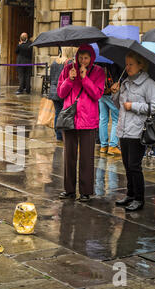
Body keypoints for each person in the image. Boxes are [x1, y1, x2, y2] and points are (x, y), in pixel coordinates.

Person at [111, 51, 155, 211]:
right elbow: (119, 106)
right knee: (126, 164)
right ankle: (130, 194)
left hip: (138, 130)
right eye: (126, 64)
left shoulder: (149, 84)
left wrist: (134, 106)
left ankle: (139, 198)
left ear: (140, 65)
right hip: (123, 129)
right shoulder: (125, 82)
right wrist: (116, 93)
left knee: (134, 165)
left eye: (131, 64)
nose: (127, 67)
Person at [57, 44, 105, 202]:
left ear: (91, 58)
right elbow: (61, 93)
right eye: (80, 57)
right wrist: (70, 80)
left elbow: (97, 94)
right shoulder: (67, 69)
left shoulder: (98, 72)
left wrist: (85, 79)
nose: (83, 61)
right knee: (69, 156)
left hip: (88, 119)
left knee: (86, 157)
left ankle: (85, 191)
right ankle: (69, 190)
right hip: (70, 117)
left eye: (86, 58)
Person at [47, 46, 74, 141]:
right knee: (65, 114)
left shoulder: (55, 61)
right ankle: (63, 134)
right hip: (63, 91)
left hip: (54, 90)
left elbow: (51, 77)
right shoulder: (69, 63)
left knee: (58, 113)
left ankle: (58, 134)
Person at [98, 62, 124, 155]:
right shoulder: (113, 61)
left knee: (103, 118)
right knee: (116, 119)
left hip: (101, 92)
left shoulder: (99, 61)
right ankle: (113, 145)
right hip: (112, 93)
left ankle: (103, 145)